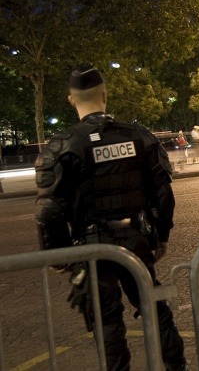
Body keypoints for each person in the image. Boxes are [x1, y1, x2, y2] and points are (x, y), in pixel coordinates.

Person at [34, 64, 188, 371]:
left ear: (71, 100)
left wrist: (59, 255)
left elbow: (49, 211)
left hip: (92, 246)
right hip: (136, 240)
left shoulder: (62, 146)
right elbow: (163, 195)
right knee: (155, 309)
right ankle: (177, 367)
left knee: (106, 322)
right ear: (105, 95)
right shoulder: (140, 137)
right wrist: (161, 236)